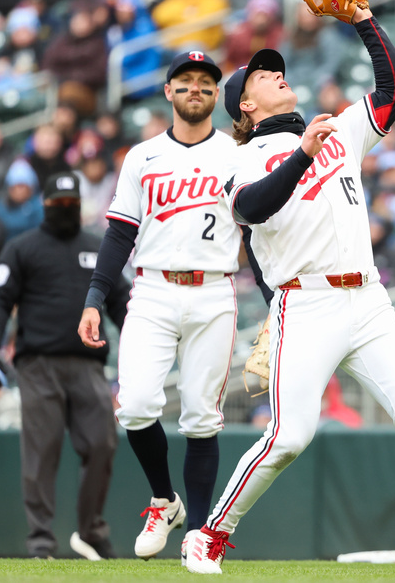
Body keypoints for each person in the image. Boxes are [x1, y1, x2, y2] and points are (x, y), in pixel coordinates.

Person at [185, 4, 395, 575]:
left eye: (276, 68)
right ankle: (208, 536)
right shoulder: (242, 156)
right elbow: (251, 206)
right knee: (288, 438)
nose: (276, 72)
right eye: (261, 74)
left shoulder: (338, 127)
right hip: (306, 303)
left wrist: (364, 19)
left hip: (368, 300)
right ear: (246, 104)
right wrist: (302, 154)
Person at [78, 52, 241, 561]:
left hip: (214, 289)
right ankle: (162, 499)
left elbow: (257, 230)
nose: (196, 89)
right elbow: (120, 232)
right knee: (136, 405)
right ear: (168, 92)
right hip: (150, 289)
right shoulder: (142, 156)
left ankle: (197, 533)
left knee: (201, 417)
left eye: (206, 83)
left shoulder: (238, 154)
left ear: (217, 95)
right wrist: (94, 298)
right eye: (186, 82)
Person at [0, 172, 128, 560]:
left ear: (80, 204)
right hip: (38, 363)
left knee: (101, 443)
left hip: (88, 364)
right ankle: (41, 541)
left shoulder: (98, 248)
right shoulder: (22, 247)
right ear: (45, 205)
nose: (65, 209)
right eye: (58, 203)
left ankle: (91, 531)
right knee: (41, 452)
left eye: (71, 203)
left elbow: (124, 302)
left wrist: (144, 343)